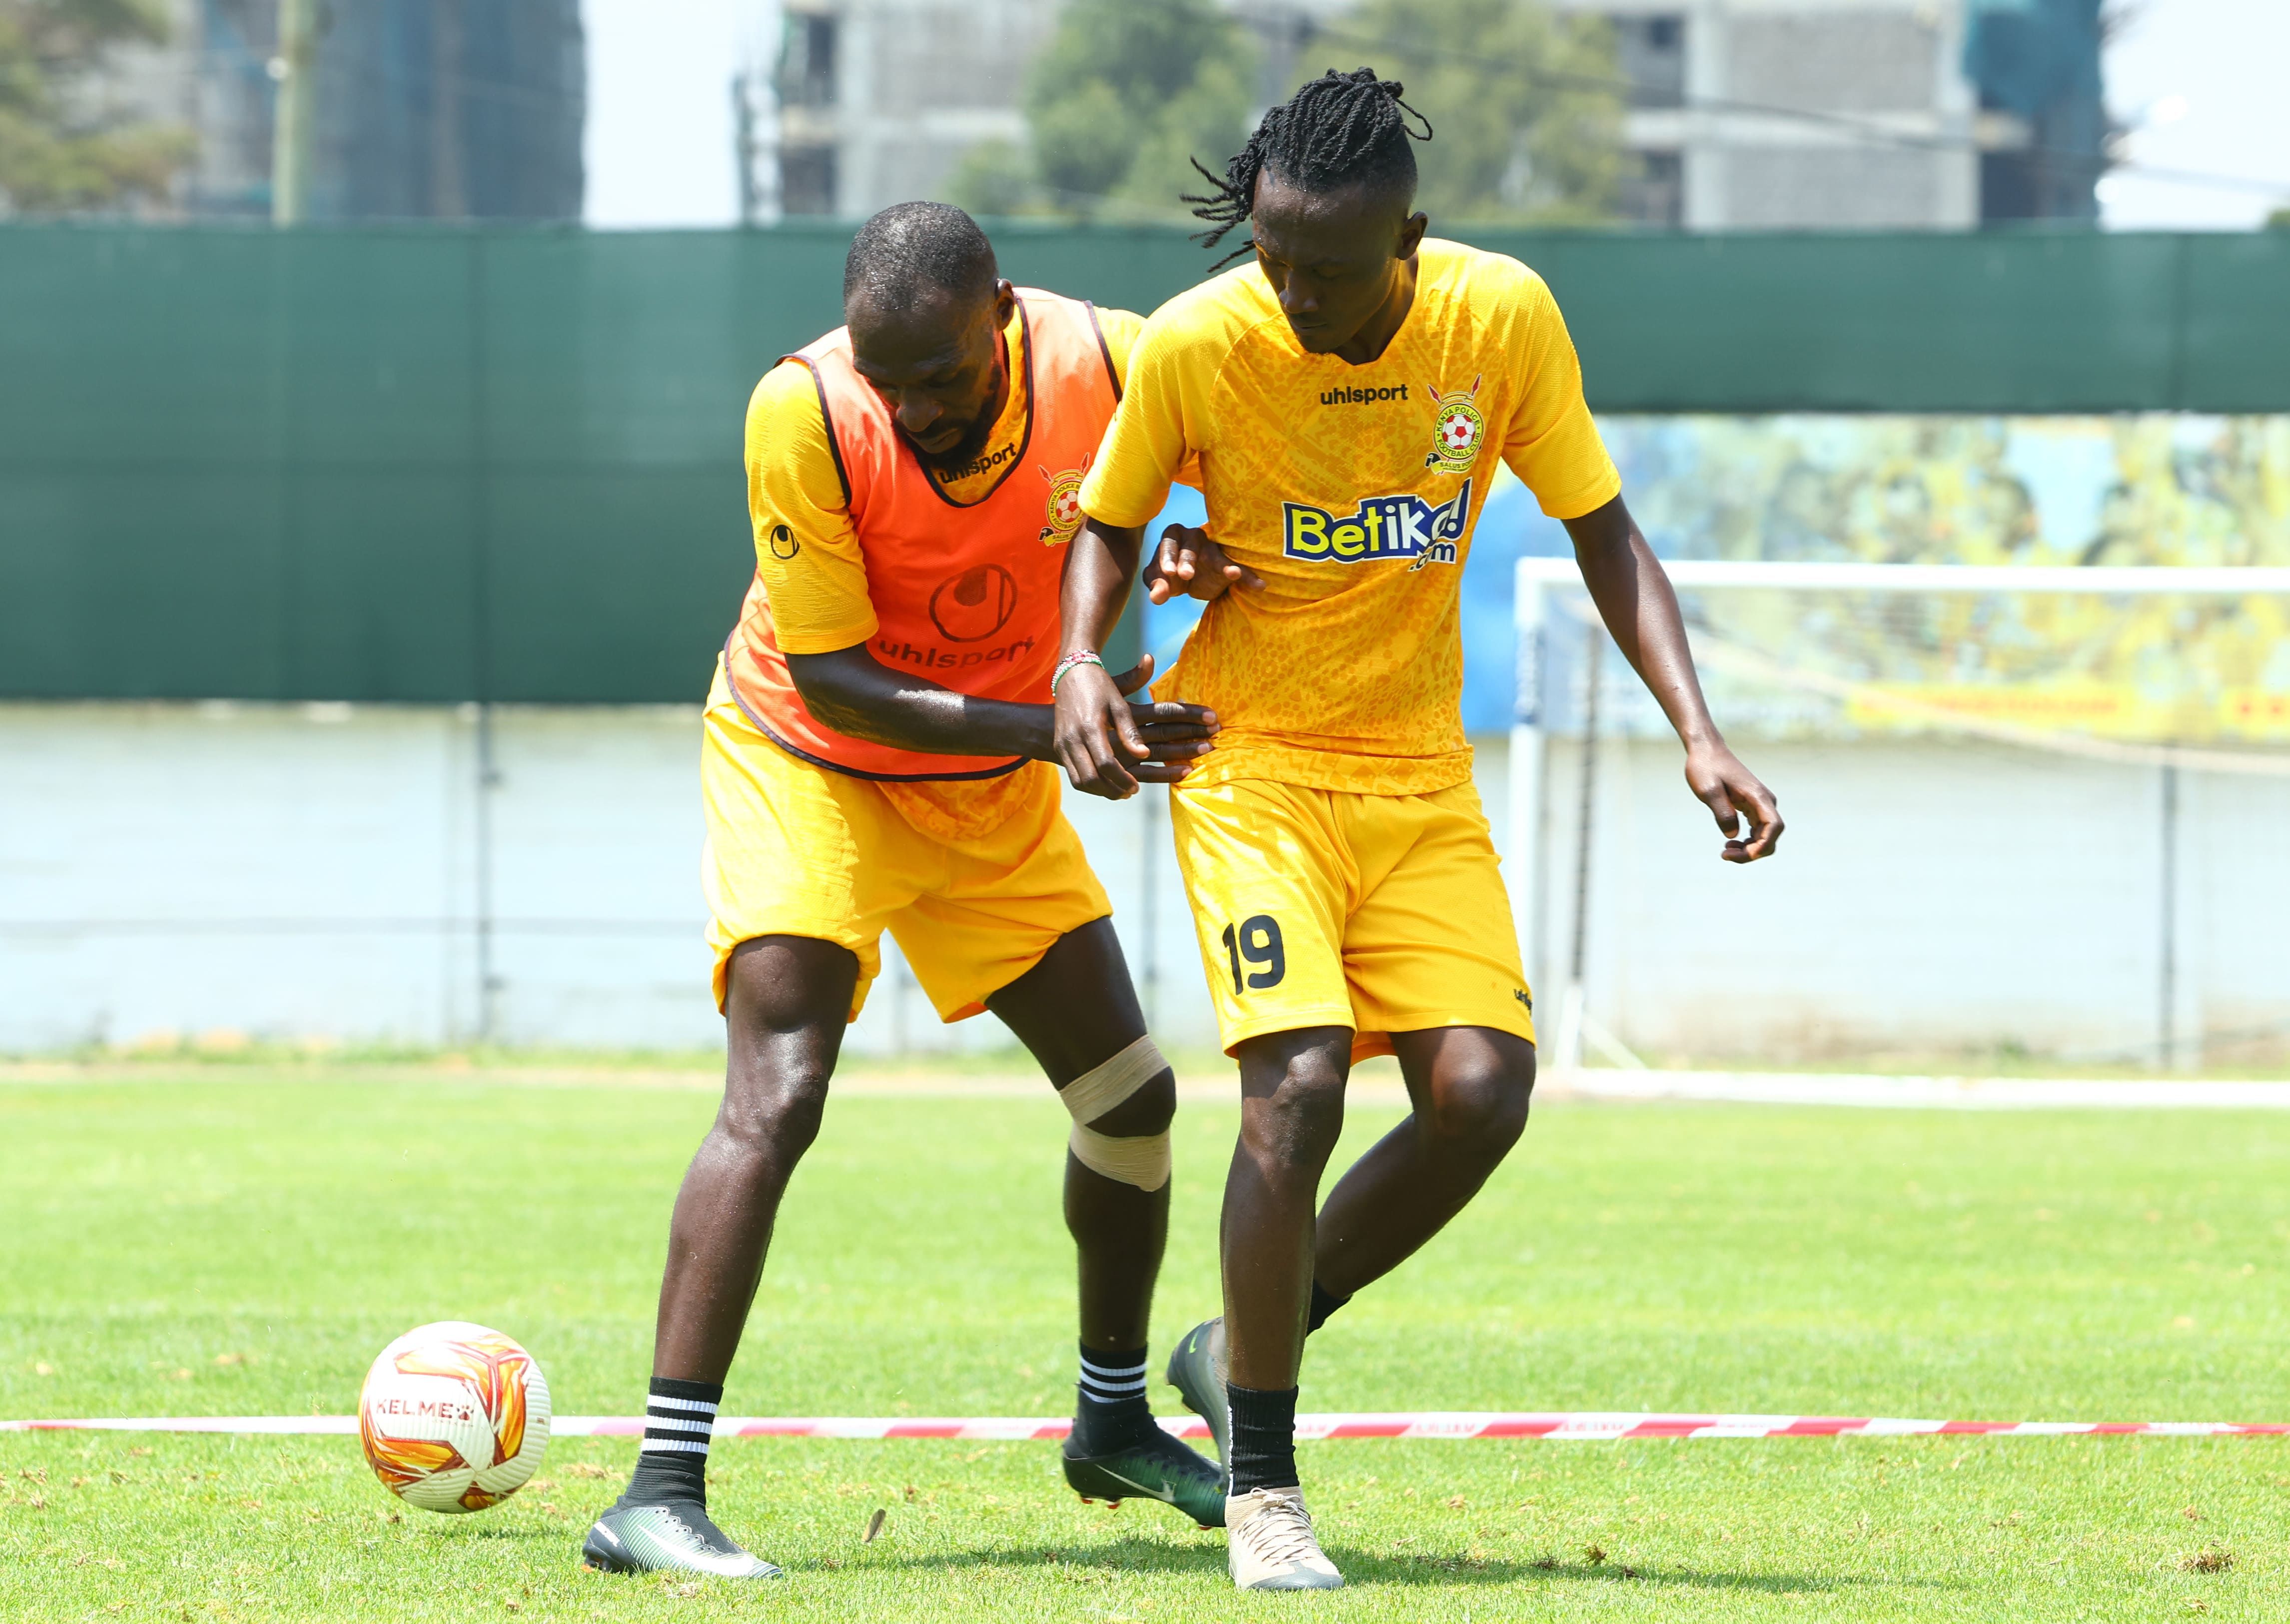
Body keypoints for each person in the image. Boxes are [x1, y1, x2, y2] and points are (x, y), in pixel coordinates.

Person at [1053, 70, 1784, 1591]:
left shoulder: (1498, 319)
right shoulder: (1199, 340)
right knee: (1298, 1087)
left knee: (1482, 1093)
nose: (1292, 293)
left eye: (1326, 267)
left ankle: (1240, 1344)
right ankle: (1265, 1489)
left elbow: (1601, 526)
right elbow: (1111, 521)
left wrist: (1699, 732)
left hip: (1417, 772)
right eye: (1271, 256)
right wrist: (1078, 662)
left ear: (1411, 238)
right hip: (1251, 766)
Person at [583, 202, 1225, 1581]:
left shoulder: (1117, 361)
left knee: (1131, 1100)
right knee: (781, 1089)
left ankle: (1113, 1417)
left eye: (943, 375)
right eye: (894, 381)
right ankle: (657, 1493)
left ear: (1002, 313)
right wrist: (1059, 725)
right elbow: (834, 680)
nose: (918, 408)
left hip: (986, 781)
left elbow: (1232, 478)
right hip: (807, 760)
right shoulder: (806, 410)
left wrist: (1195, 548)